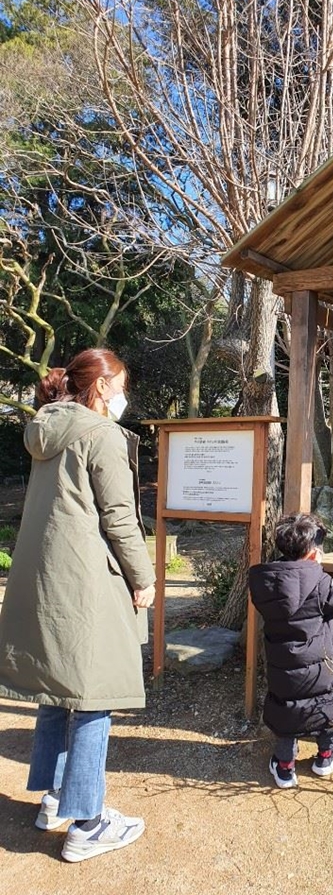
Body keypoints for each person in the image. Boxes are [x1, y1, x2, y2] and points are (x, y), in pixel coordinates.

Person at [0, 348, 156, 862]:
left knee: (58, 689)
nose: (123, 396)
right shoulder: (100, 433)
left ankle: (54, 799)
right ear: (103, 386)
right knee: (92, 696)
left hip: (47, 579)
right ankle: (88, 822)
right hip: (87, 581)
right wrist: (145, 577)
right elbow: (118, 517)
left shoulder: (47, 430)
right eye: (122, 385)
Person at [249, 512, 333, 789]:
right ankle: (326, 757)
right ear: (313, 553)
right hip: (320, 669)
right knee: (326, 708)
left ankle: (284, 767)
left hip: (281, 669)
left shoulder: (265, 581)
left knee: (285, 711)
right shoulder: (319, 584)